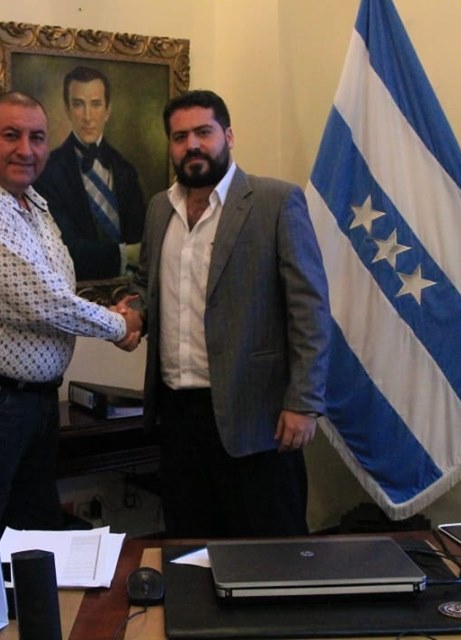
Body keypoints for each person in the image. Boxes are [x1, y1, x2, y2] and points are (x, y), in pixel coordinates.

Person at [0, 91, 141, 534]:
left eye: (37, 137)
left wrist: (107, 312)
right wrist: (119, 323)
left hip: (29, 402)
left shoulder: (31, 202)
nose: (26, 149)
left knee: (32, 535)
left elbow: (55, 287)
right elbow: (37, 299)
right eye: (11, 135)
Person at [131, 90, 331, 538]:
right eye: (180, 137)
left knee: (270, 552)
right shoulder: (160, 208)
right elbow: (147, 285)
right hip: (177, 416)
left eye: (203, 132)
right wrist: (133, 314)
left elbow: (310, 309)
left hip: (258, 415)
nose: (192, 145)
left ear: (228, 136)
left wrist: (304, 402)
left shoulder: (276, 202)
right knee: (189, 547)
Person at [34, 65, 147, 281]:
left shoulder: (125, 170)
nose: (88, 116)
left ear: (108, 111)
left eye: (96, 104)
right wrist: (126, 255)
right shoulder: (48, 172)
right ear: (67, 110)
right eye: (79, 104)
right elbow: (61, 250)